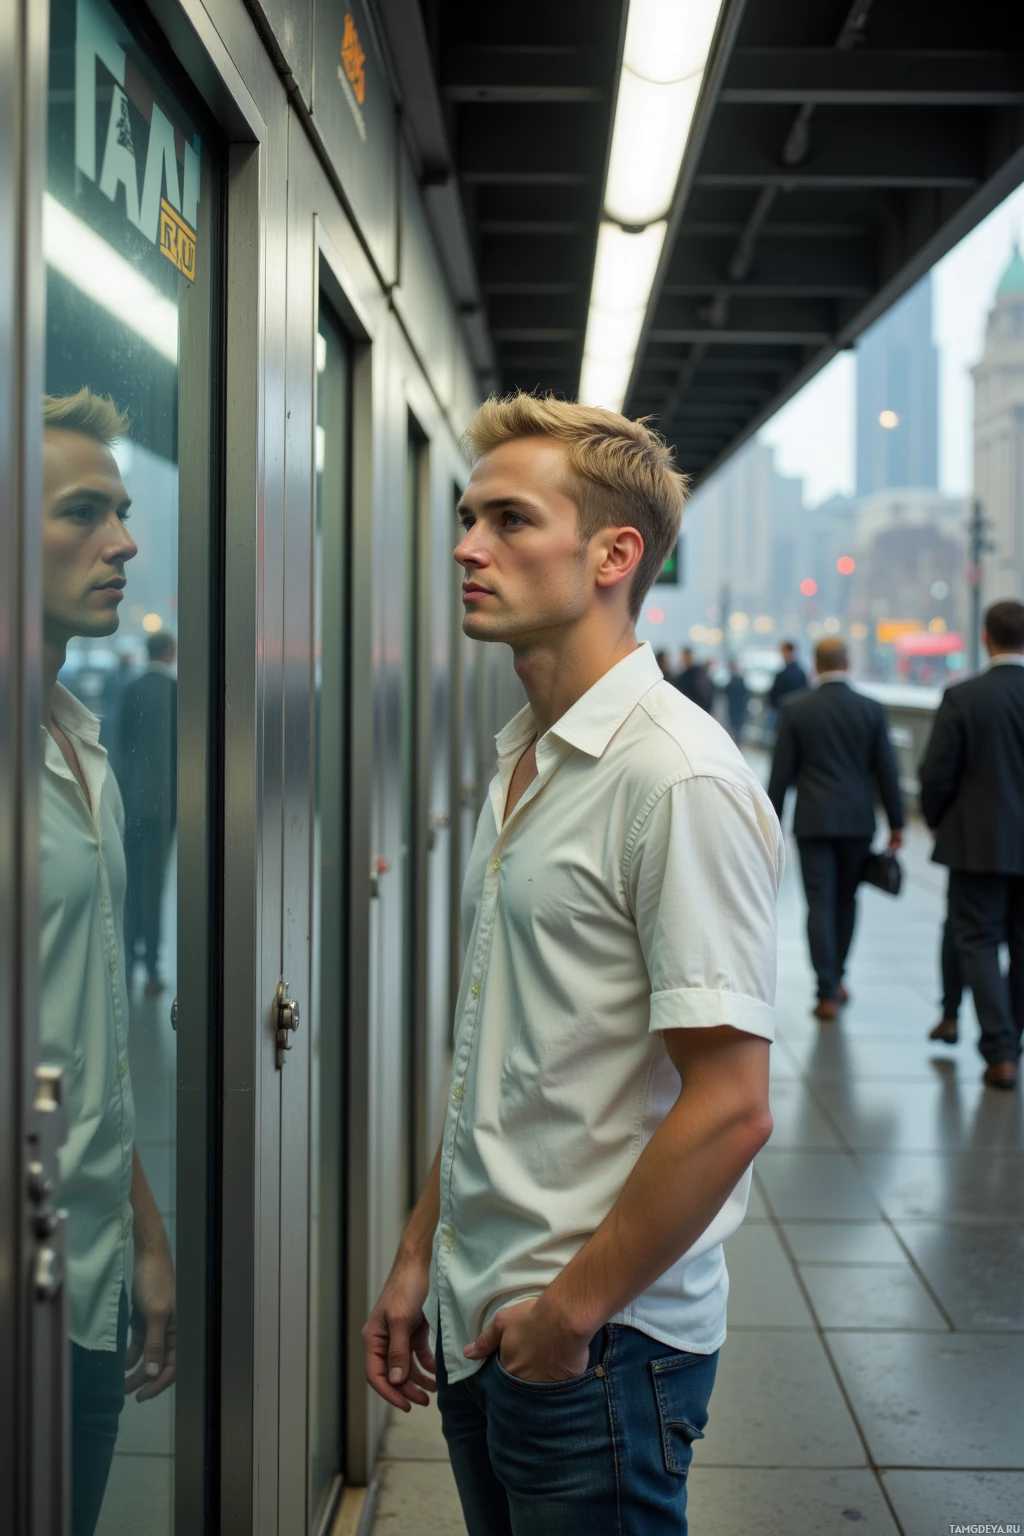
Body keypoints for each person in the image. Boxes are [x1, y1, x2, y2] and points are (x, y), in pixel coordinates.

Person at [363, 393, 781, 1536]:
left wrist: (567, 1319)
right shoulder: (531, 763)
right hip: (486, 1315)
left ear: (613, 554)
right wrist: (420, 1258)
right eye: (465, 517)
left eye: (507, 519)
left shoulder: (674, 780)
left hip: (598, 1348)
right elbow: (505, 1061)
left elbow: (732, 1108)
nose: (466, 545)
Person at [41, 389, 176, 1536]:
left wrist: (141, 1228)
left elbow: (79, 1038)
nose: (124, 541)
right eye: (84, 511)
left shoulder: (81, 749)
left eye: (123, 511)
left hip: (82, 1278)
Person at [767, 636, 904, 1020]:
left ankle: (825, 988)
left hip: (812, 821)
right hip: (858, 823)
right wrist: (896, 822)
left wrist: (769, 821)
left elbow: (781, 776)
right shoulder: (872, 709)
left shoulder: (796, 709)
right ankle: (839, 976)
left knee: (819, 904)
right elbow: (887, 771)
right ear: (848, 664)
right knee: (847, 901)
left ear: (816, 664)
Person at [919, 600, 1024, 1090]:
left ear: (986, 637)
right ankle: (1011, 1042)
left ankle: (1000, 1051)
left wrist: (939, 820)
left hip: (979, 842)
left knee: (977, 938)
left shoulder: (964, 696)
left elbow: (937, 771)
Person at [120, 629, 178, 996]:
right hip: (163, 806)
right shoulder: (177, 693)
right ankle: (153, 968)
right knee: (155, 886)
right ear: (170, 653)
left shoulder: (130, 689)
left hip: (130, 804)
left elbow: (119, 747)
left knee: (128, 886)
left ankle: (126, 964)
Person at [768, 640, 807, 712]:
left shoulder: (791, 674)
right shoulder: (800, 672)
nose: (783, 655)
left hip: (785, 710)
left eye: (784, 652)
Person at [673, 644, 714, 712]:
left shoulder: (698, 673)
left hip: (699, 709)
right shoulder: (682, 676)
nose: (685, 660)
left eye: (687, 657)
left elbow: (705, 693)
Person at [723, 657, 749, 744]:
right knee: (736, 728)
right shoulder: (739, 680)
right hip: (738, 707)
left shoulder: (734, 680)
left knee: (734, 728)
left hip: (735, 707)